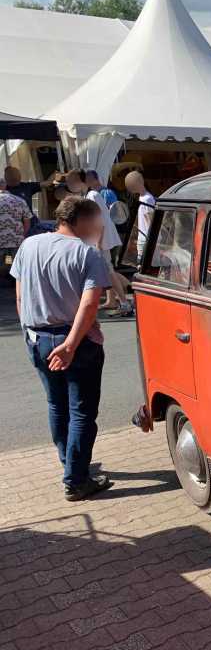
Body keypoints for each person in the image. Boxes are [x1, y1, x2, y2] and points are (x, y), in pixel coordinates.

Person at [10, 196, 113, 500]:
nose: (99, 226)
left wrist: (29, 331)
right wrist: (69, 344)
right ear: (81, 220)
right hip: (75, 341)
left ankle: (70, 462)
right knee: (81, 411)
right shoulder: (87, 254)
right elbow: (90, 303)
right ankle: (76, 479)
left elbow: (19, 293)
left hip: (37, 338)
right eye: (96, 220)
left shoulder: (30, 245)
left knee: (57, 404)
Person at [71, 169, 133, 316]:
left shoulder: (92, 195)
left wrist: (98, 243)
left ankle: (126, 301)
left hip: (100, 240)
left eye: (72, 181)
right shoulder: (89, 195)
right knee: (108, 271)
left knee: (109, 271)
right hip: (99, 240)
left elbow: (99, 221)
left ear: (80, 181)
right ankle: (122, 299)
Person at [0, 176, 32, 285]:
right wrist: (22, 234)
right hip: (15, 240)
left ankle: (3, 279)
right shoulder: (19, 200)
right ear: (5, 185)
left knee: (3, 261)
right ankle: (11, 280)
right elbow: (27, 221)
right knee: (9, 260)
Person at [125, 171, 155, 265]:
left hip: (146, 238)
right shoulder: (142, 197)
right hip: (144, 237)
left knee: (142, 264)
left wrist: (152, 239)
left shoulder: (147, 199)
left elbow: (150, 219)